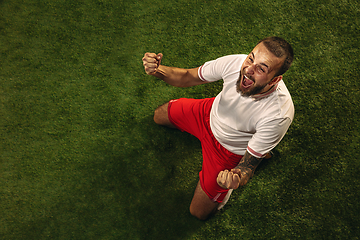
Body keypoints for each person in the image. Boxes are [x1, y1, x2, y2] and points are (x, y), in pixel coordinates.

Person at [142, 37, 294, 220]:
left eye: (262, 68)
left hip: (228, 151)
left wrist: (235, 177)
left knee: (198, 212)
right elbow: (186, 77)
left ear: (275, 79)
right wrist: (157, 70)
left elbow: (247, 167)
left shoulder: (278, 114)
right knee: (158, 116)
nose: (248, 69)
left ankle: (226, 190)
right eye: (251, 58)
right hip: (206, 114)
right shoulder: (235, 63)